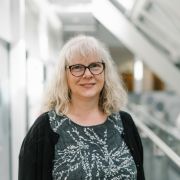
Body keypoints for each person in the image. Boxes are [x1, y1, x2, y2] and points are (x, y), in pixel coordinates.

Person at [18, 35, 145, 180]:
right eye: (77, 67)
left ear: (105, 71)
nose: (88, 74)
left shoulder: (125, 122)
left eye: (95, 66)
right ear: (64, 75)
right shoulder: (44, 128)